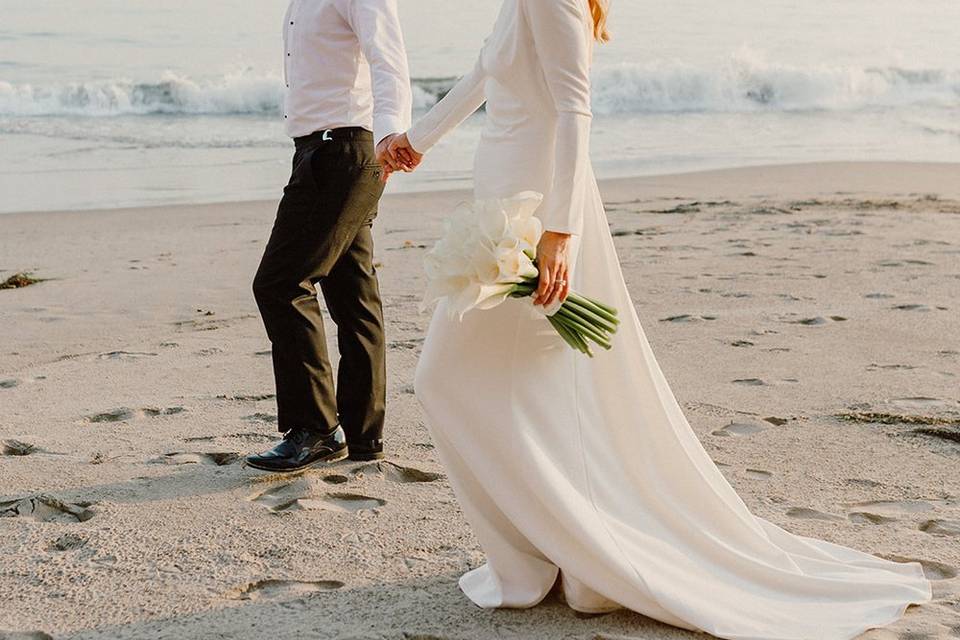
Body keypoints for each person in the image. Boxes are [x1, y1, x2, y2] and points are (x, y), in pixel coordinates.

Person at [384, 0, 933, 637]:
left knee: (448, 379)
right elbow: (484, 74)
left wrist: (559, 232)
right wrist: (415, 140)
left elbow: (574, 109)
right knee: (520, 386)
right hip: (500, 196)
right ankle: (550, 553)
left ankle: (566, 553)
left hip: (535, 209)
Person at [246, 0, 414, 472]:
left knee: (280, 284)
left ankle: (316, 428)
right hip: (319, 150)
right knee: (353, 297)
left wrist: (392, 132)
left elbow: (389, 58)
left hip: (342, 152)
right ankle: (364, 437)